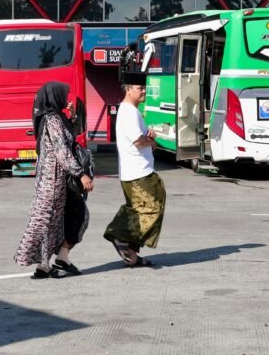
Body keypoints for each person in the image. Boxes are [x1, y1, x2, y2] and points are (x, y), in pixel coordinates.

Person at [14, 82, 93, 279]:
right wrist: (80, 174)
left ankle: (44, 266)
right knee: (46, 222)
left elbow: (69, 138)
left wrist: (72, 116)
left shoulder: (56, 118)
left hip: (55, 179)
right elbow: (62, 151)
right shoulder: (52, 120)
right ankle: (42, 263)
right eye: (63, 95)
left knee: (52, 223)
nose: (66, 98)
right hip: (52, 180)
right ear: (54, 97)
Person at [103, 75, 166, 268]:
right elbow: (138, 140)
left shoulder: (132, 111)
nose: (144, 91)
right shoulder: (129, 112)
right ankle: (119, 234)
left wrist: (149, 137)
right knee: (150, 208)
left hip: (137, 170)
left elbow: (140, 137)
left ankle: (131, 254)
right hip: (137, 172)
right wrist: (151, 142)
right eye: (140, 88)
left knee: (142, 208)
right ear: (128, 89)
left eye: (144, 87)